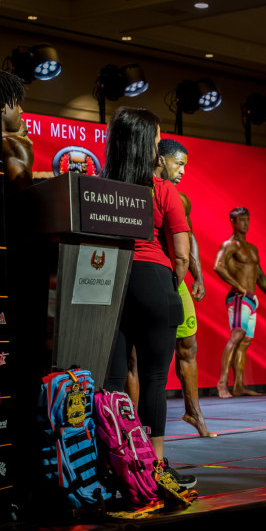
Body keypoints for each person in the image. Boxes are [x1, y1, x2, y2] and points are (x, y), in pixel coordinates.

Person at [101, 107, 194, 489]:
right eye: (155, 140)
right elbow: (182, 255)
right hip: (153, 280)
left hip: (108, 281)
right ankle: (153, 468)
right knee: (155, 378)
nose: (158, 147)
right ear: (144, 144)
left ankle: (114, 465)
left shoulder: (99, 187)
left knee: (111, 382)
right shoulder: (163, 190)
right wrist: (169, 284)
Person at [131, 139, 214, 436]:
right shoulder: (137, 189)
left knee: (188, 344)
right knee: (137, 357)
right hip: (148, 277)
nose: (182, 171)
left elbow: (188, 238)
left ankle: (194, 413)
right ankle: (134, 425)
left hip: (173, 278)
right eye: (178, 164)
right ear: (161, 159)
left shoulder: (177, 196)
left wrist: (198, 276)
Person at [214, 207, 266, 398]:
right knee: (237, 336)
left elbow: (258, 273)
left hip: (251, 300)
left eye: (247, 219)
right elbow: (217, 266)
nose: (245, 223)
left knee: (244, 342)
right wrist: (238, 286)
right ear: (233, 222)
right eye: (241, 219)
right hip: (238, 298)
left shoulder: (251, 248)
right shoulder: (229, 245)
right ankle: (222, 384)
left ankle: (239, 386)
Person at [0, 70, 52, 191]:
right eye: (16, 103)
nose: (20, 110)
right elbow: (27, 198)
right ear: (2, 105)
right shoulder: (12, 144)